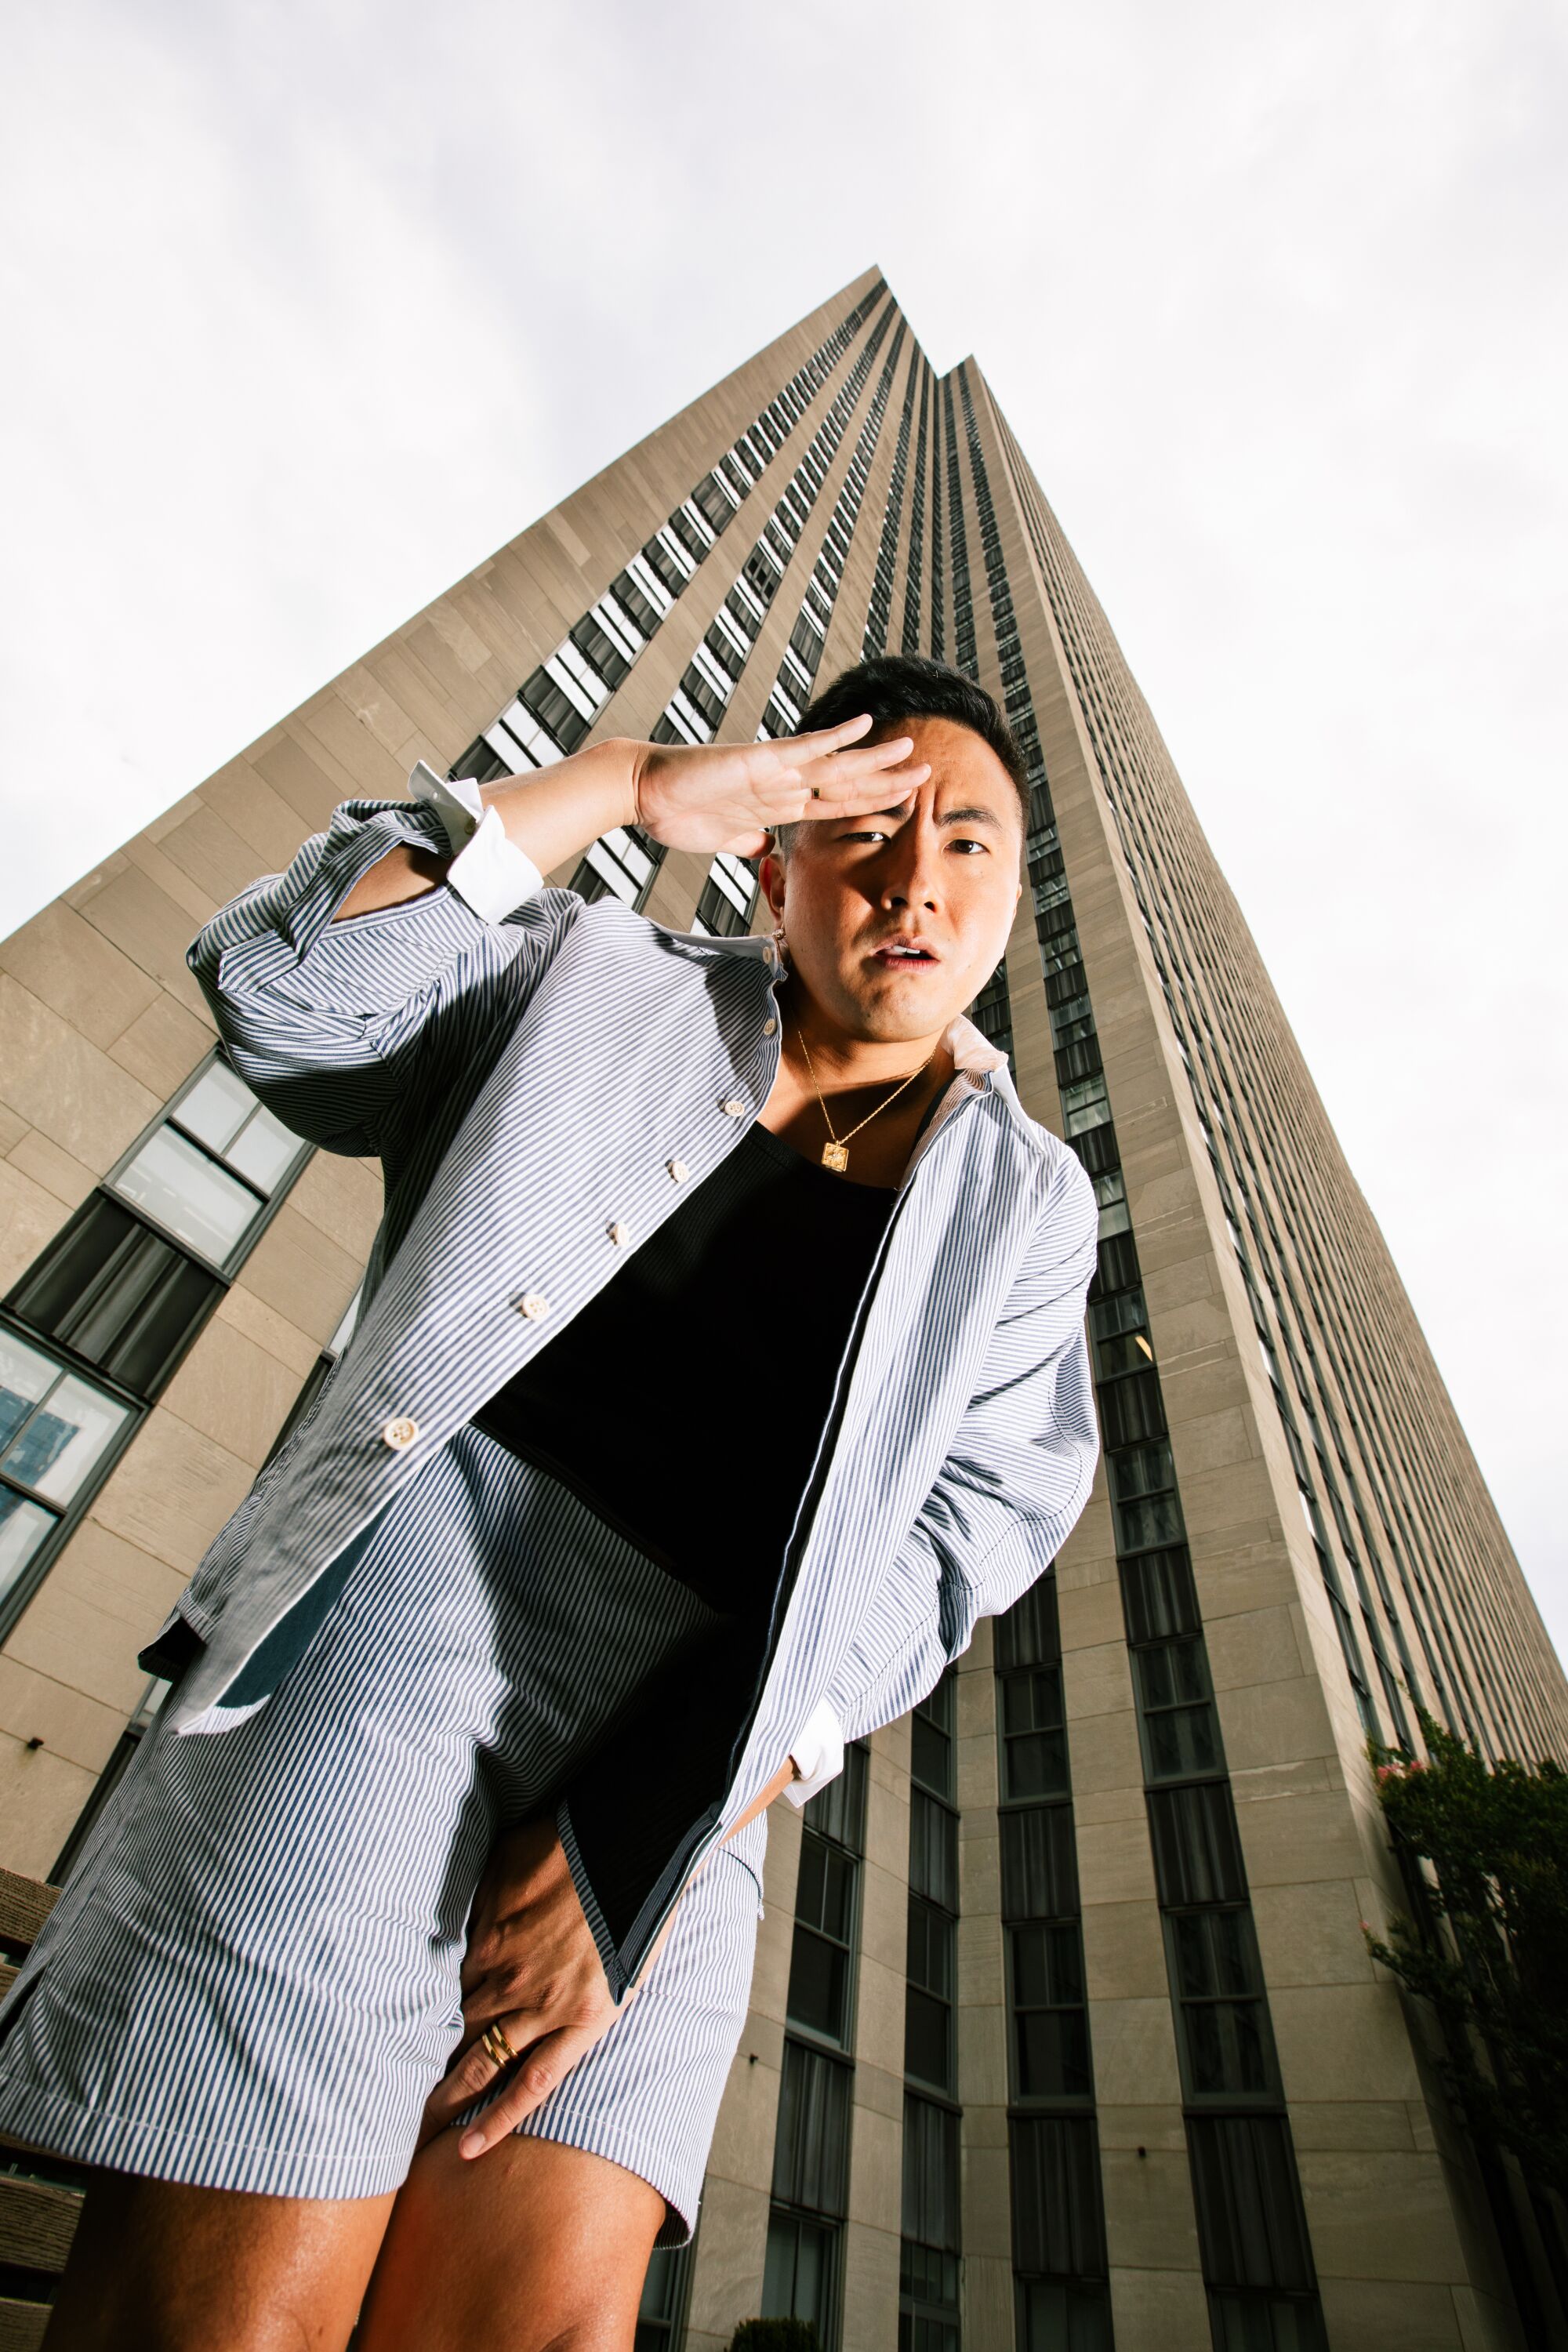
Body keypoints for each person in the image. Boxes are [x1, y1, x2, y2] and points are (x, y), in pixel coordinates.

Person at [0, 654, 1100, 2350]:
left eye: (967, 845)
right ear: (776, 854)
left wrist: (650, 1827)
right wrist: (626, 787)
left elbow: (959, 1540)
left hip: (693, 1772)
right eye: (863, 829)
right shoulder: (587, 981)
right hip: (393, 1649)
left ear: (1011, 900)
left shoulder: (1024, 1209)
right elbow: (289, 990)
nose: (913, 882)